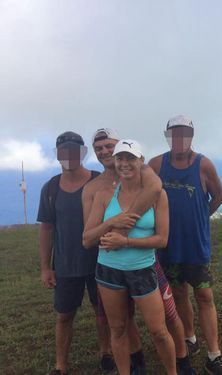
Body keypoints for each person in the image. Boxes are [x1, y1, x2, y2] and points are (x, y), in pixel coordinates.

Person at [82, 128, 195, 375]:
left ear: (141, 161)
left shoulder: (157, 195)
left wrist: (126, 242)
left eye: (130, 158)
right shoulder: (102, 195)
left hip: (143, 269)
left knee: (158, 330)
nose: (124, 163)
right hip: (108, 271)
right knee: (119, 329)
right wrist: (112, 222)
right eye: (120, 158)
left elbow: (162, 239)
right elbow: (87, 239)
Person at [149, 115, 222, 375]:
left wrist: (200, 217)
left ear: (192, 136)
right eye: (174, 133)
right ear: (167, 136)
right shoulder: (156, 164)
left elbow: (218, 196)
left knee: (205, 296)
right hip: (167, 246)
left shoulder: (203, 164)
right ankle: (189, 338)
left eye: (184, 133)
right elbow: (143, 194)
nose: (179, 139)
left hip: (196, 247)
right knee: (177, 294)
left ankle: (214, 355)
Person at [37, 131, 114, 375]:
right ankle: (60, 366)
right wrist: (45, 267)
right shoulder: (50, 188)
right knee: (64, 316)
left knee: (102, 313)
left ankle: (106, 354)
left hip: (100, 261)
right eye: (64, 151)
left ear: (83, 153)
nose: (69, 156)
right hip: (66, 265)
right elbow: (47, 228)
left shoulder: (99, 180)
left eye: (74, 150)